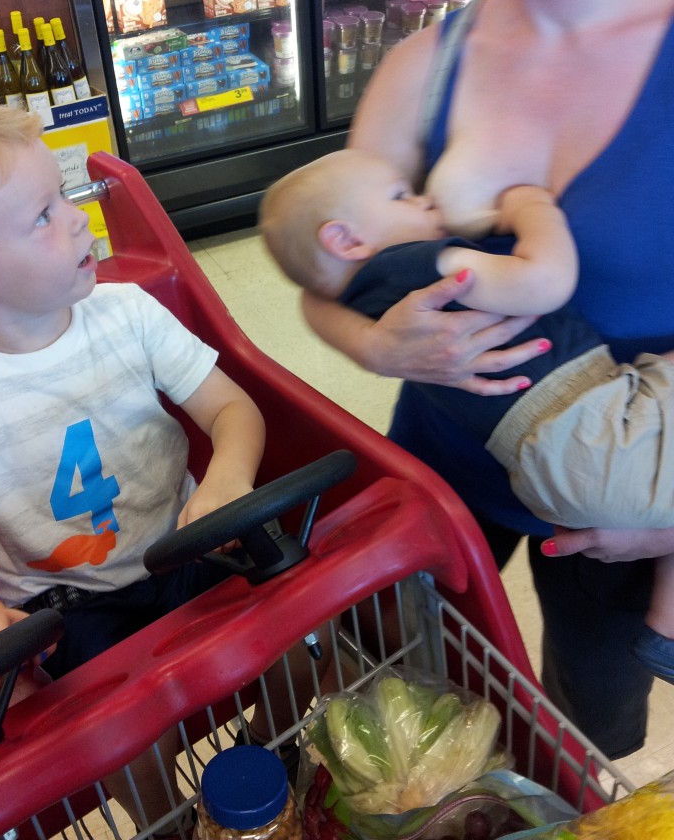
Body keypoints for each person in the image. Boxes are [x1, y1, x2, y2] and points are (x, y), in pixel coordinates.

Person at [300, 0, 674, 760]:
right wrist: (378, 346)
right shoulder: (425, 68)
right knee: (400, 694)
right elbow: (323, 277)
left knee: (588, 728)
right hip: (440, 468)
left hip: (621, 486)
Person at [0, 95, 288, 835]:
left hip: (186, 541)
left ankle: (273, 766)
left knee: (293, 648)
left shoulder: (129, 314)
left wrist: (227, 481)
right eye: (45, 213)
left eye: (65, 194)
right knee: (116, 738)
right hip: (64, 604)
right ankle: (168, 821)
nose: (80, 218)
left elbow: (232, 411)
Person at [261, 147, 674, 681]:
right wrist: (532, 208)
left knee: (423, 640)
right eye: (402, 195)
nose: (425, 198)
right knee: (587, 681)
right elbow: (545, 281)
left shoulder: (367, 285)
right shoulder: (421, 261)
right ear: (346, 240)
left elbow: (317, 284)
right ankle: (663, 625)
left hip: (539, 461)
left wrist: (527, 206)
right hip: (599, 427)